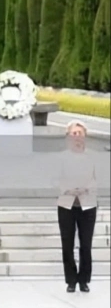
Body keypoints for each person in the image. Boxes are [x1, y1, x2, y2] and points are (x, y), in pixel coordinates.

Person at [56, 120, 98, 293]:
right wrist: (68, 189)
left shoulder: (93, 157)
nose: (77, 137)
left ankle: (84, 280)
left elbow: (98, 178)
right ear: (68, 137)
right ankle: (71, 280)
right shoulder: (60, 157)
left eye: (80, 133)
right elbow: (54, 178)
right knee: (67, 244)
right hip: (66, 204)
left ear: (85, 137)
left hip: (87, 204)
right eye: (74, 133)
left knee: (85, 245)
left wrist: (85, 188)